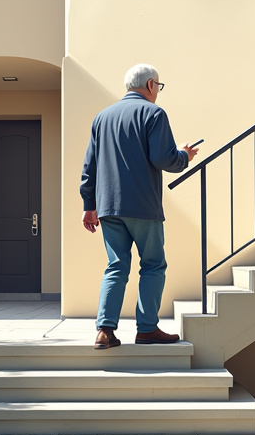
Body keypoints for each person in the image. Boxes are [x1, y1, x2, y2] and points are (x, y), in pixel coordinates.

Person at [80, 64, 199, 349]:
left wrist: (89, 204)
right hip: (143, 206)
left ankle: (105, 331)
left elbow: (90, 165)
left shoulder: (102, 117)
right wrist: (184, 156)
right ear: (149, 85)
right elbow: (163, 159)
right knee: (153, 265)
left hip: (108, 207)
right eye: (159, 86)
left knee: (116, 266)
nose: (158, 91)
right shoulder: (154, 113)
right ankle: (146, 329)